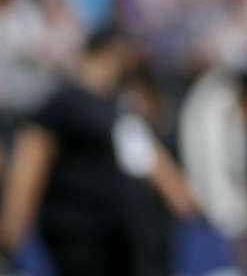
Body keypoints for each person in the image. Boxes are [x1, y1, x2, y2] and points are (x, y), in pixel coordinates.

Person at [0, 25, 197, 276]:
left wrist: (182, 201)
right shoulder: (63, 103)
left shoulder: (116, 108)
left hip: (123, 241)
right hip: (79, 238)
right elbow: (31, 158)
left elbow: (149, 159)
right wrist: (12, 228)